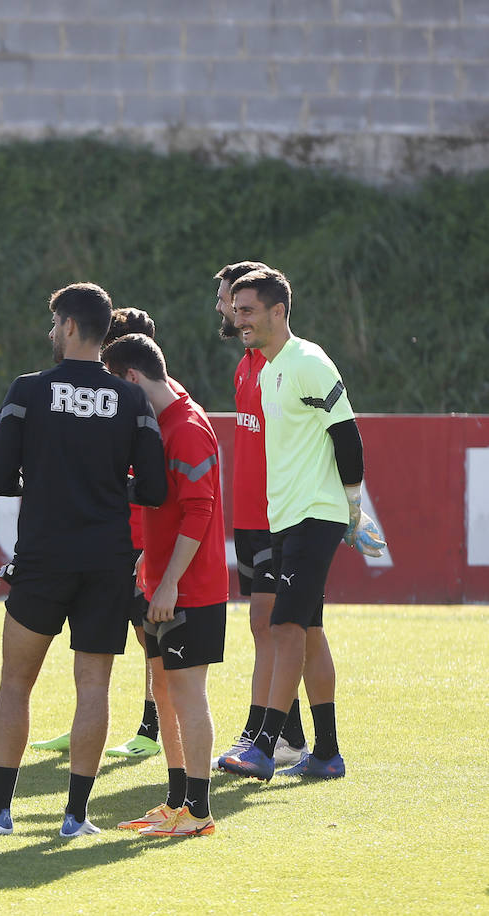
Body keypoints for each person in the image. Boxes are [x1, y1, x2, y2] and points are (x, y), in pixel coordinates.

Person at [0, 282, 166, 837]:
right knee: (94, 687)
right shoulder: (130, 399)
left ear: (72, 327)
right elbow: (152, 488)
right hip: (107, 559)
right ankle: (76, 817)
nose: (51, 332)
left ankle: (0, 813)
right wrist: (104, 489)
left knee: (16, 682)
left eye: (55, 323)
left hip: (43, 558)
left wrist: (52, 483)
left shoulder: (28, 390)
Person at [220, 268, 384, 782]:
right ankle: (327, 753)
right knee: (309, 632)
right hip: (286, 518)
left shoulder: (309, 361)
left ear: (278, 311)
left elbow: (348, 437)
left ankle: (265, 746)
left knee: (284, 625)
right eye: (236, 308)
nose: (237, 317)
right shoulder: (268, 371)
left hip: (315, 516)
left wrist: (352, 509)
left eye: (247, 309)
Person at [103, 333, 226, 837]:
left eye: (115, 386)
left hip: (189, 589)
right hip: (161, 583)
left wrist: (171, 580)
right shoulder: (164, 417)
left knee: (188, 694)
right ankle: (177, 800)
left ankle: (199, 813)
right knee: (166, 690)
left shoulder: (188, 428)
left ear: (132, 378)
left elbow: (201, 511)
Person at [30, 307, 167, 759]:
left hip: (137, 540)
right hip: (111, 539)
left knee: (149, 636)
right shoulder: (115, 397)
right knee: (94, 645)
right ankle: (87, 727)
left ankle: (153, 727)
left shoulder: (150, 402)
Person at [211, 261, 310, 769]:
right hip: (249, 516)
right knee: (268, 626)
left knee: (274, 623)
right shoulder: (247, 363)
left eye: (232, 300)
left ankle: (264, 735)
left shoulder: (284, 364)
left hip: (278, 514)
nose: (226, 309)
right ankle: (291, 736)